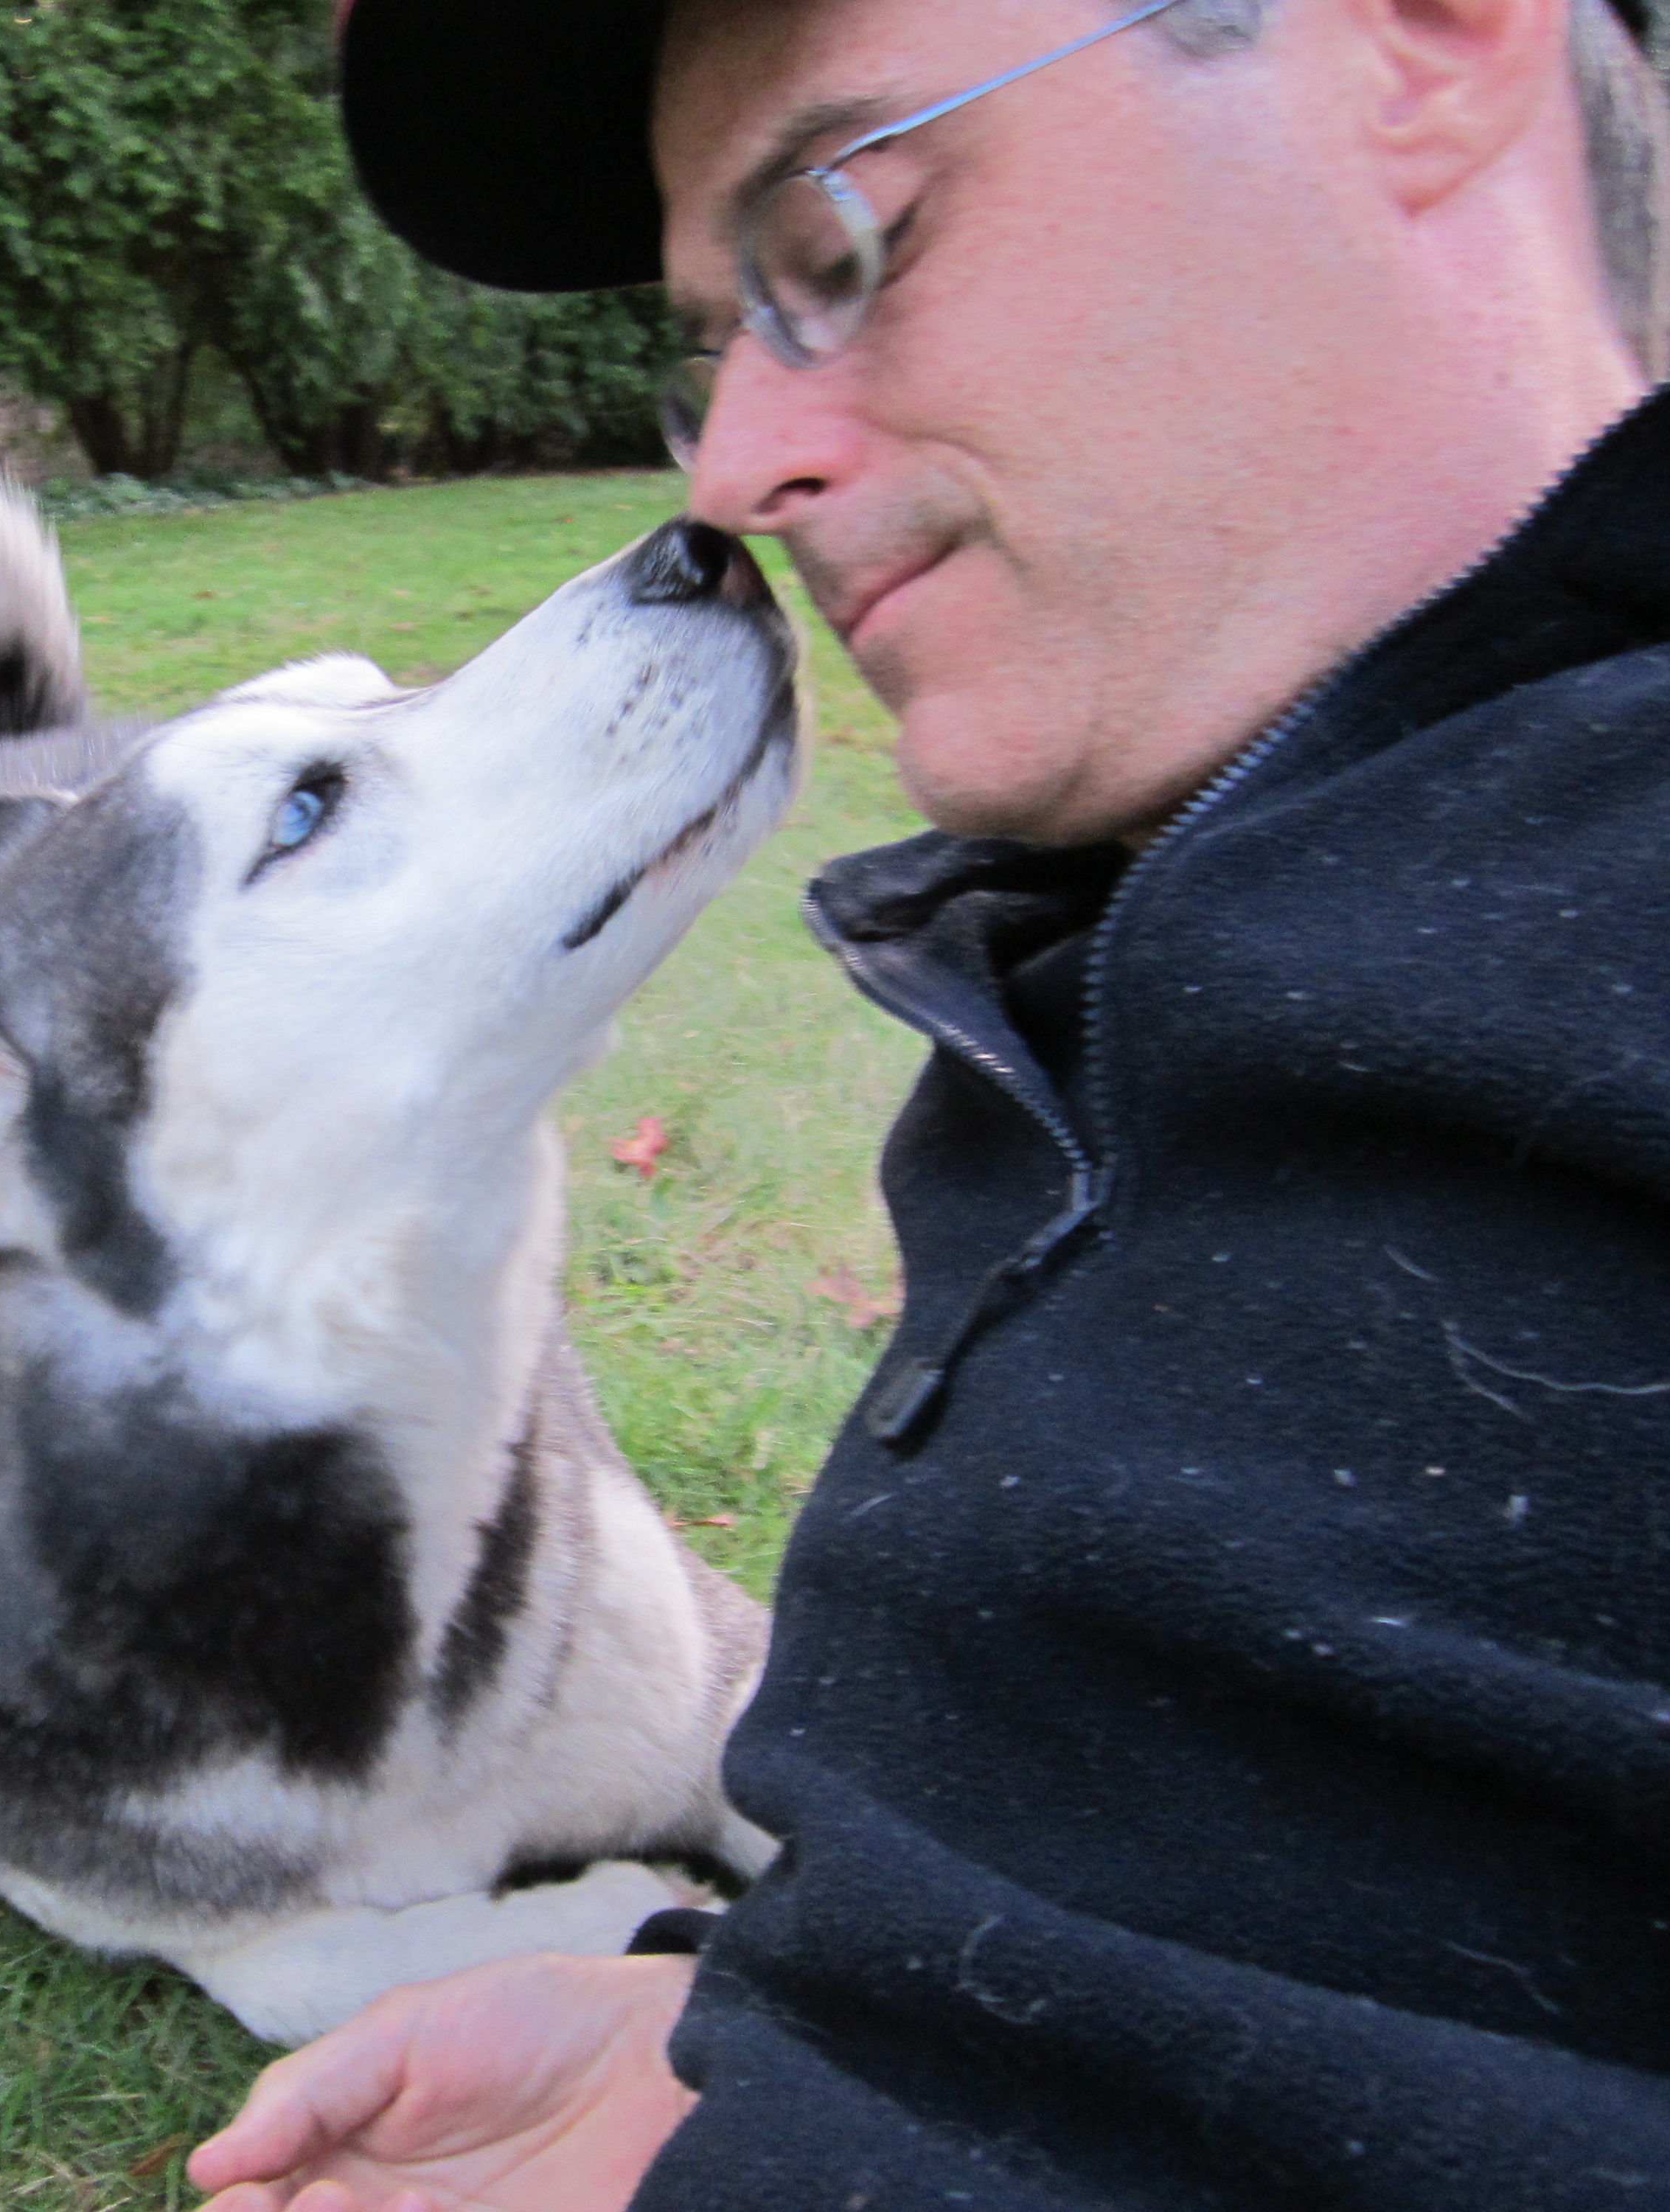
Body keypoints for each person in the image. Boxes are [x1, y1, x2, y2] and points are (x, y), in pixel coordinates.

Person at [187, 0, 1670, 2204]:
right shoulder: (1105, 972)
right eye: (714, 340)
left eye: (846, 236)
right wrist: (755, 2023)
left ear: (1431, 40)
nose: (730, 471)